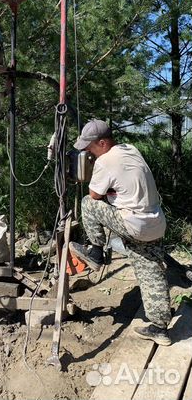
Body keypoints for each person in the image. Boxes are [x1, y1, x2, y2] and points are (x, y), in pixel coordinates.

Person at [69, 119, 172, 346]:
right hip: (155, 222)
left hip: (134, 223)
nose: (87, 151)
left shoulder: (105, 161)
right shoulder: (130, 150)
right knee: (151, 271)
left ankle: (95, 251)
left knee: (87, 203)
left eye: (90, 146)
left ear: (103, 143)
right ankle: (160, 328)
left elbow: (95, 195)